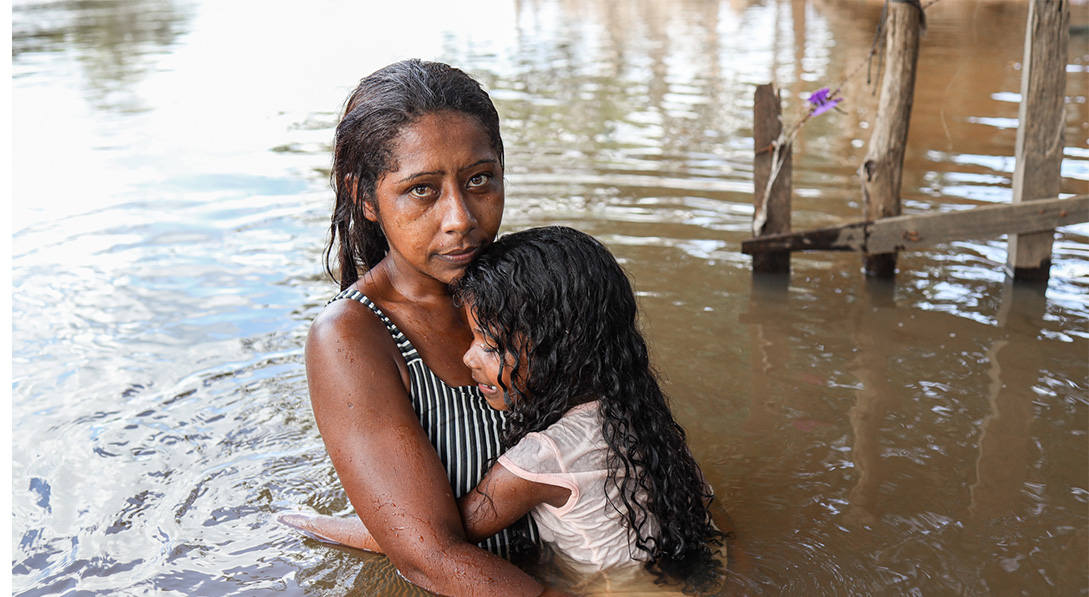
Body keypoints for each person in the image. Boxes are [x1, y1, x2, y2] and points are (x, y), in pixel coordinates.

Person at [288, 226, 725, 593]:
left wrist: (313, 524)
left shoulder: (544, 456)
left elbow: (426, 537)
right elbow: (707, 509)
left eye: (489, 344)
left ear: (558, 351)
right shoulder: (633, 413)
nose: (468, 358)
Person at [302, 59, 552, 596]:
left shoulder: (536, 290)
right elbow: (431, 558)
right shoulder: (351, 337)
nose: (460, 217)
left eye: (479, 180)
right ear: (365, 197)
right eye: (421, 189)